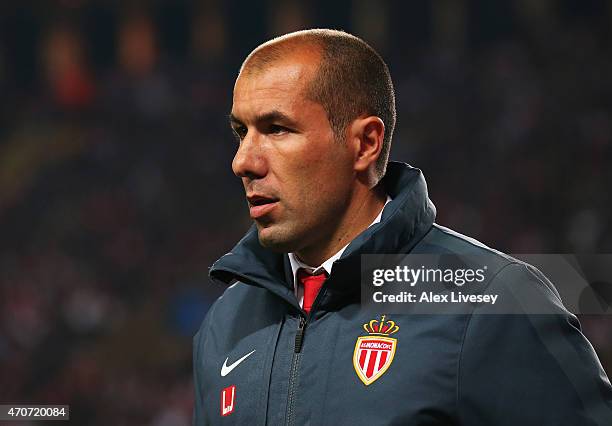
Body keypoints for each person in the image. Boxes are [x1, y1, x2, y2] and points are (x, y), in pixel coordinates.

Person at [192, 29, 612, 425]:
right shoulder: (227, 321)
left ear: (365, 143)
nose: (243, 161)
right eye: (240, 132)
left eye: (277, 129)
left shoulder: (493, 301)